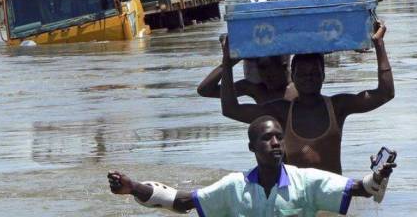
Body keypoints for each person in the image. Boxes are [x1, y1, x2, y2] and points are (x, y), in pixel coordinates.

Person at [108, 115, 397, 216]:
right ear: (251, 147)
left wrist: (377, 177)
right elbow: (182, 202)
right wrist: (133, 187)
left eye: (279, 137)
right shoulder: (234, 187)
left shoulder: (306, 182)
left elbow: (360, 189)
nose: (275, 143)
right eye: (267, 138)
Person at [220, 22, 394, 174]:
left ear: (323, 75)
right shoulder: (281, 111)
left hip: (333, 195)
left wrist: (379, 44)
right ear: (292, 77)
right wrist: (226, 63)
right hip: (295, 197)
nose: (308, 78)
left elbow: (385, 93)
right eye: (302, 74)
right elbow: (230, 109)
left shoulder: (337, 106)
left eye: (314, 73)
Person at [197, 54, 296, 104]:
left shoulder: (298, 87)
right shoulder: (258, 90)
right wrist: (229, 62)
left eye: (269, 67)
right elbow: (205, 91)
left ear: (283, 67)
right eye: (261, 68)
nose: (266, 74)